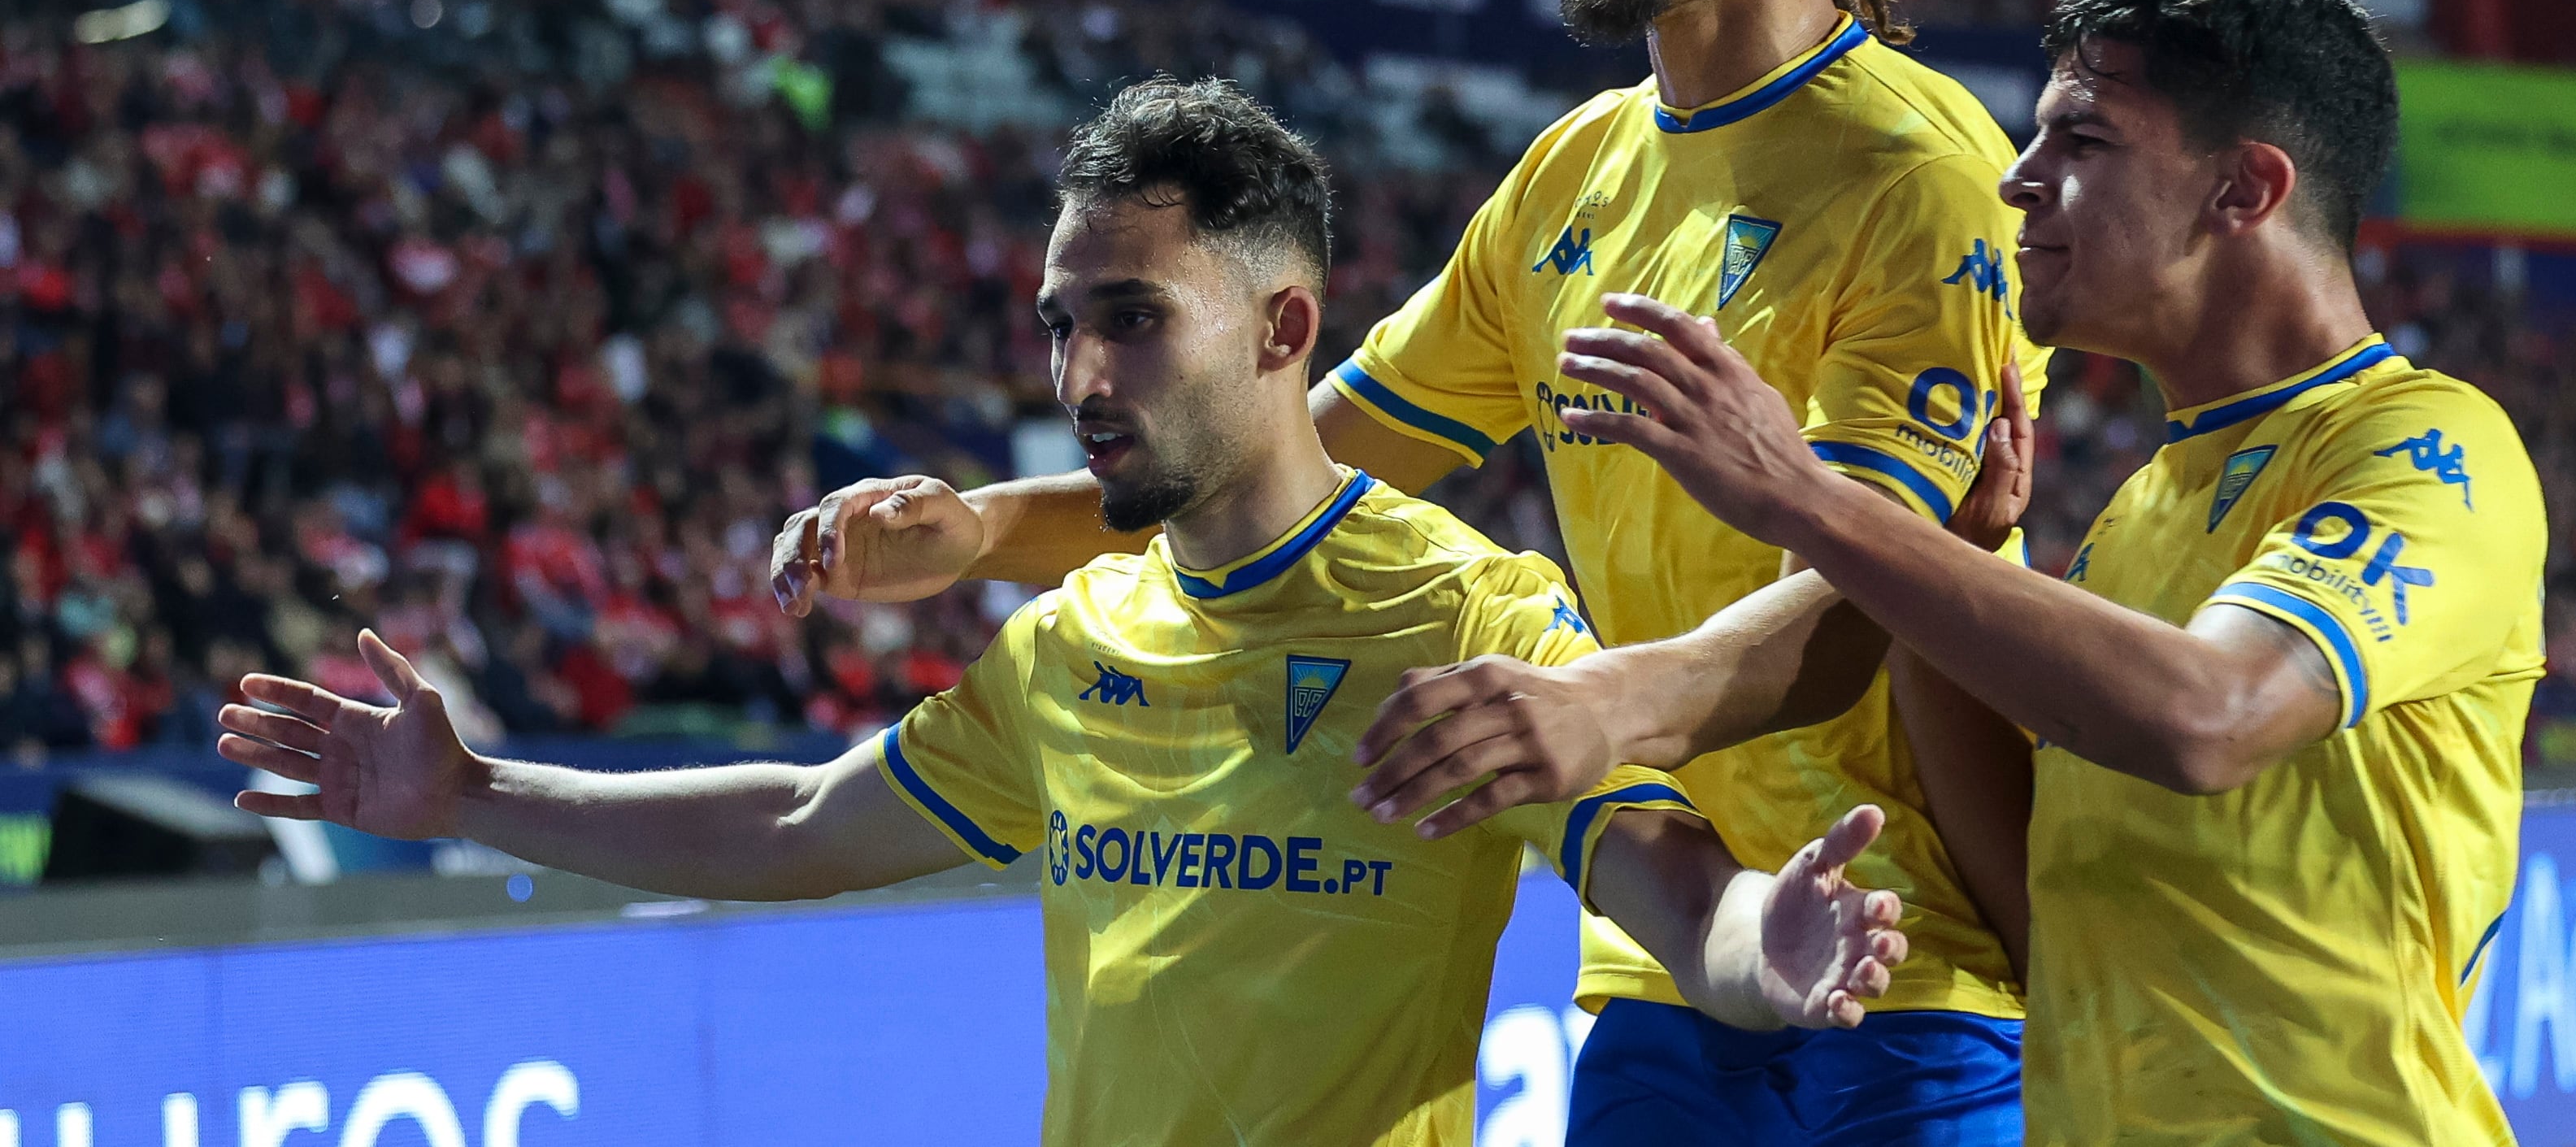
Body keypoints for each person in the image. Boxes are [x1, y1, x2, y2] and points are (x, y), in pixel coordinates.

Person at [773, 0, 2051, 1146]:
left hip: (1899, 965)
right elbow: (1283, 463)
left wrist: (1602, 707)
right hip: (1667, 962)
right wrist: (982, 530)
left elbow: (1878, 590)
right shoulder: (1571, 179)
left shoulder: (1918, 176)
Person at [219, 77, 1910, 1147]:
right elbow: (807, 816)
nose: (1076, 374)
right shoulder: (1072, 634)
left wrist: (1767, 946)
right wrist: (467, 796)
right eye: (1053, 322)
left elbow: (1657, 872)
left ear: (1281, 326)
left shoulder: (1460, 607)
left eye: (1128, 317)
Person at [1452, 0, 2542, 1144]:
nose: (2018, 180)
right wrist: (1954, 576)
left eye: (2082, 142)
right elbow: (2035, 918)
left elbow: (2213, 716)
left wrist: (1809, 500)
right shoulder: (2137, 512)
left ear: (2243, 190)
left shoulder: (2429, 446)